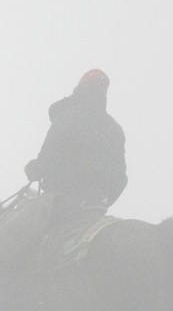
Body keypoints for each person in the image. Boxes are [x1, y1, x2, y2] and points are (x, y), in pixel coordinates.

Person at [25, 68, 127, 210]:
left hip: (59, 201)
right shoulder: (114, 129)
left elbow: (47, 159)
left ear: (80, 86)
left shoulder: (67, 116)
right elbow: (120, 179)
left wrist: (33, 169)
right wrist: (102, 201)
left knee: (12, 230)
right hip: (95, 207)